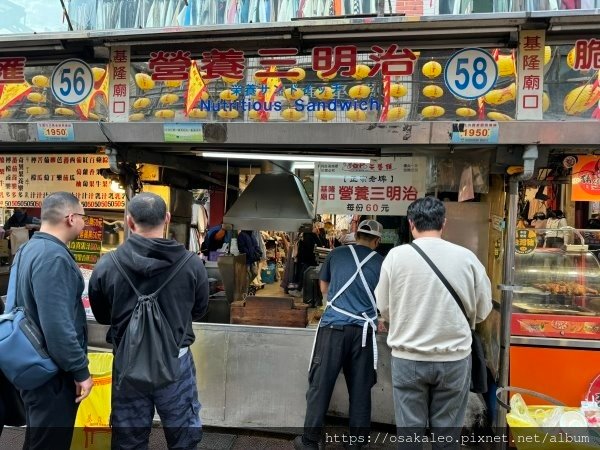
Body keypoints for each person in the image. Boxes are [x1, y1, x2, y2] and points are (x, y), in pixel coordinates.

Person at [88, 192, 208, 450]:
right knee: (184, 437)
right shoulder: (191, 264)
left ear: (129, 222)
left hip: (128, 364)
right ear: (166, 219)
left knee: (128, 440)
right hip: (176, 363)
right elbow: (199, 310)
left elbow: (101, 316)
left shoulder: (107, 265)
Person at [375, 197, 492, 449]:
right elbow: (483, 310)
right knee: (447, 437)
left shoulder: (396, 256)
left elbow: (383, 306)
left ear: (410, 224)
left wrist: (405, 320)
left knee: (409, 435)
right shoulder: (467, 258)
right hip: (454, 360)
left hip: (408, 358)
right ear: (444, 224)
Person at [10, 192, 93, 450]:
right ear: (70, 218)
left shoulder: (29, 248)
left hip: (31, 362)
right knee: (50, 442)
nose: (84, 222)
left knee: (39, 439)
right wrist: (80, 371)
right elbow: (58, 327)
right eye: (82, 216)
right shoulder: (53, 257)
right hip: (51, 371)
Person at [294, 220, 384, 450]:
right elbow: (383, 300)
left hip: (334, 328)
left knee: (320, 385)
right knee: (361, 388)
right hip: (363, 333)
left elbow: (324, 289)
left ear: (356, 234)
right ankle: (357, 442)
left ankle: (310, 441)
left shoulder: (336, 254)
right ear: (377, 241)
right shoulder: (381, 262)